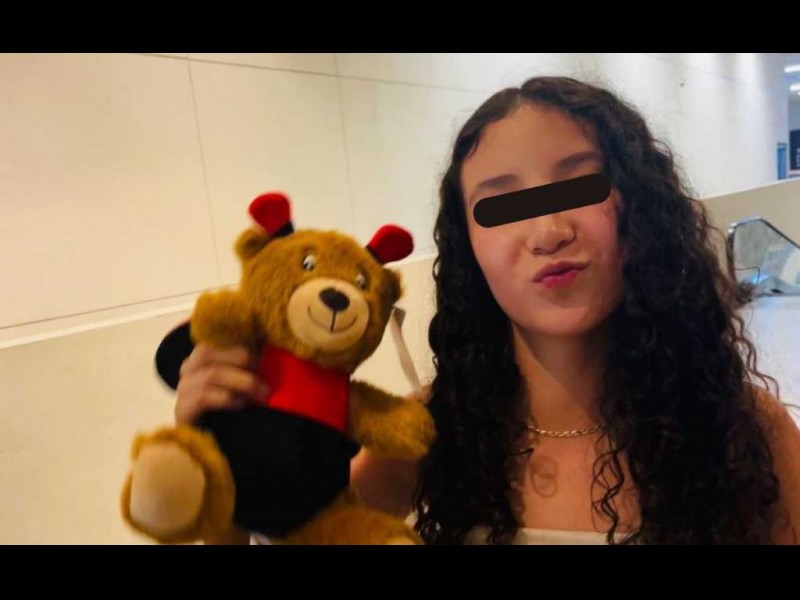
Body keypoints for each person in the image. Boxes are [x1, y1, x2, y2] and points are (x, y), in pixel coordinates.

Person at [164, 76, 800, 545]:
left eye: (579, 186)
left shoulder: (744, 430)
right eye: (502, 206)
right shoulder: (430, 433)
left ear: (638, 212)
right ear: (469, 249)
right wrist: (225, 453)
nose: (548, 230)